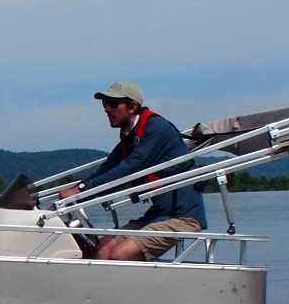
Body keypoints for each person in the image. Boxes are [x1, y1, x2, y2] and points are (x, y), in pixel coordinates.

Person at [58, 81, 205, 260]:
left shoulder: (156, 129)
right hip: (159, 214)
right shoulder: (131, 136)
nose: (106, 109)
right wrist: (80, 190)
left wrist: (81, 191)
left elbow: (131, 166)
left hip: (183, 217)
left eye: (113, 104)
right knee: (102, 250)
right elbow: (107, 168)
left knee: (121, 254)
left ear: (132, 107)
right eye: (104, 104)